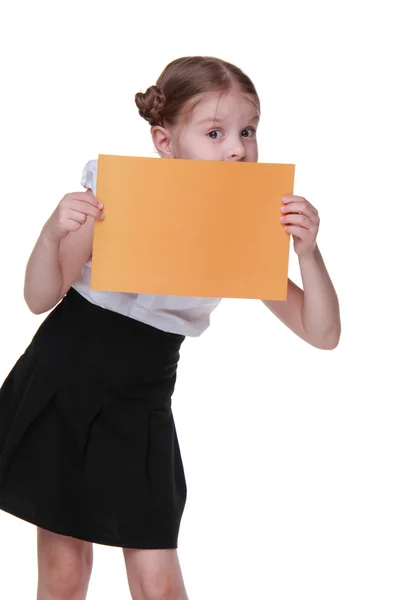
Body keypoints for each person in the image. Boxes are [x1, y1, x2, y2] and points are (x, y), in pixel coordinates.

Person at [0, 56, 341, 600]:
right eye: (215, 132)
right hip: (64, 382)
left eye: (247, 132)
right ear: (164, 141)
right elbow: (39, 297)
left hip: (141, 401)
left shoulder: (242, 230)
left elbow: (321, 332)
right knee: (63, 576)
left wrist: (308, 252)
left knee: (158, 579)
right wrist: (49, 234)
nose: (237, 148)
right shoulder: (116, 195)